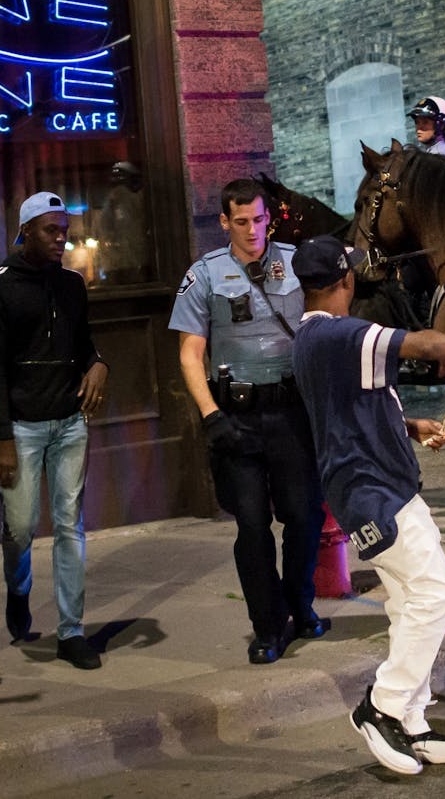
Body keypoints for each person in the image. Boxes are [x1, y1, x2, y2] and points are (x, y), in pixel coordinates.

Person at [290, 235, 445, 775]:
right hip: (375, 491)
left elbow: (354, 407)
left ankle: (412, 723)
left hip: (375, 484)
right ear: (346, 280)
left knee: (407, 605)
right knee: (436, 595)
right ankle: (382, 706)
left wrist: (411, 427)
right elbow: (424, 344)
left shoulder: (313, 338)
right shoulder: (340, 333)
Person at [169, 178, 328, 664]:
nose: (253, 229)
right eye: (242, 221)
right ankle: (267, 625)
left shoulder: (296, 262)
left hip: (291, 411)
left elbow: (326, 322)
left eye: (259, 219)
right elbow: (190, 353)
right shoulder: (206, 275)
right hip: (236, 416)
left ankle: (300, 605)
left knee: (304, 516)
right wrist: (210, 414)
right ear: (225, 222)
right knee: (254, 526)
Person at [0, 191, 108, 669]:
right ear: (25, 231)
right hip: (24, 428)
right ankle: (18, 588)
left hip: (71, 421)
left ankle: (71, 631)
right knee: (21, 527)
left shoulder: (72, 283)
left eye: (64, 230)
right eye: (51, 230)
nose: (61, 238)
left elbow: (85, 345)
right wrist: (2, 438)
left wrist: (99, 365)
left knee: (70, 525)